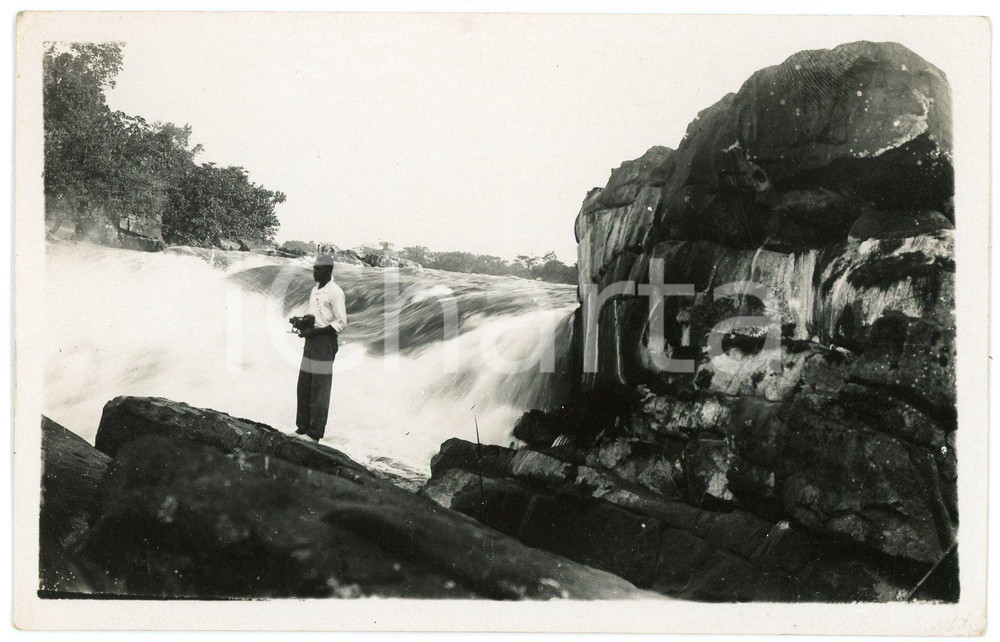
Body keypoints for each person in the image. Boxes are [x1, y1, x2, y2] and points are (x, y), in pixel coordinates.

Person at [295, 254, 347, 441]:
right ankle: (302, 428)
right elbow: (313, 315)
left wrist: (315, 333)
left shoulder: (335, 292)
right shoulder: (315, 290)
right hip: (312, 341)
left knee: (320, 387)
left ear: (329, 270)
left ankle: (315, 433)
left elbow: (341, 322)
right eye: (315, 268)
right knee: (304, 384)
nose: (315, 271)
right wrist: (302, 323)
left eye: (319, 268)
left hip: (325, 342)